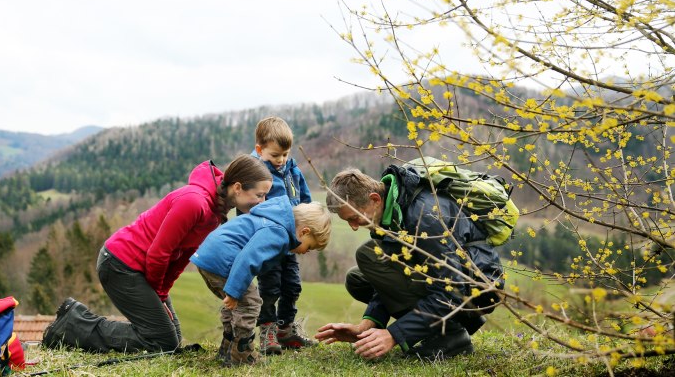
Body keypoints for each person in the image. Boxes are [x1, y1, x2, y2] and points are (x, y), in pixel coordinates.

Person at [41, 155, 272, 353]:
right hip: (121, 265)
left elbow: (183, 255)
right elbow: (158, 253)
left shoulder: (215, 211)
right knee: (163, 341)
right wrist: (159, 292)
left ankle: (76, 322)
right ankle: (72, 325)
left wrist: (162, 293)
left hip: (143, 270)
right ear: (238, 187)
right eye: (259, 195)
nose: (261, 203)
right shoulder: (194, 202)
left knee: (173, 338)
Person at [315, 164, 503, 360]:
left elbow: (452, 289)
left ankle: (451, 336)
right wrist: (368, 325)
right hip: (451, 283)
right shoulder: (392, 212)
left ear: (374, 199)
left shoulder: (425, 217)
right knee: (358, 278)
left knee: (368, 254)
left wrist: (394, 334)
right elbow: (392, 278)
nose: (353, 227)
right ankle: (435, 332)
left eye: (354, 218)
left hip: (476, 290)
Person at [189, 196, 332, 366]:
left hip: (209, 256)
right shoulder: (278, 232)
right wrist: (234, 291)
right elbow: (248, 259)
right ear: (304, 232)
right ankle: (241, 354)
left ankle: (228, 347)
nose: (305, 252)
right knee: (250, 303)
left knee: (236, 305)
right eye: (309, 247)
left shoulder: (271, 219)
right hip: (223, 258)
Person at [250, 116, 314, 355]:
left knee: (292, 286)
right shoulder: (255, 172)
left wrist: (310, 216)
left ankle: (286, 329)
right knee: (270, 287)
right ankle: (267, 331)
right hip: (268, 242)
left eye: (285, 154)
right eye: (275, 155)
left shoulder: (291, 168)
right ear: (260, 149)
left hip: (290, 242)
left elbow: (305, 198)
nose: (281, 160)